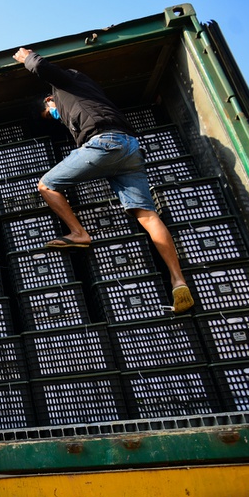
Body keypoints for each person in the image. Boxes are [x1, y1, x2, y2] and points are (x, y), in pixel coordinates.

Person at [13, 47, 194, 313]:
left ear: (49, 99)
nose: (54, 115)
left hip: (105, 143)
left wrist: (26, 57)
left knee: (46, 185)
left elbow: (43, 69)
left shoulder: (65, 84)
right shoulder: (89, 96)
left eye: (49, 111)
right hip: (130, 149)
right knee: (147, 215)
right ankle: (178, 280)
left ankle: (79, 233)